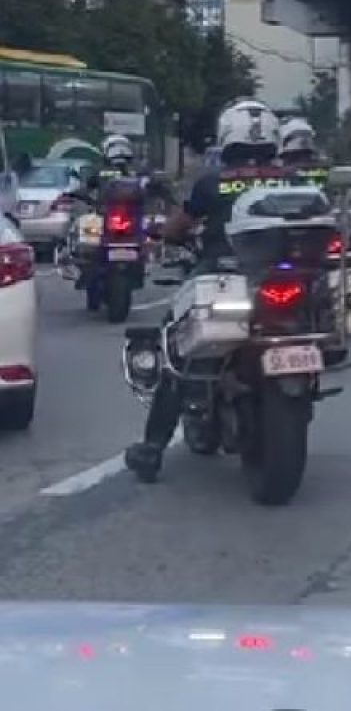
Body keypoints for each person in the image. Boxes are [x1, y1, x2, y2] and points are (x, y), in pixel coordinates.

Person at [124, 100, 285, 484]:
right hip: (281, 276)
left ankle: (152, 448)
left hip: (223, 273)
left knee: (175, 348)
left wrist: (167, 234)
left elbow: (177, 228)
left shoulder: (213, 182)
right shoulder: (292, 178)